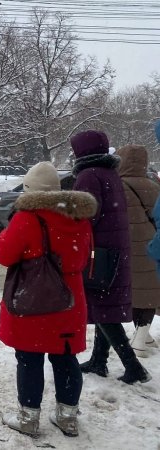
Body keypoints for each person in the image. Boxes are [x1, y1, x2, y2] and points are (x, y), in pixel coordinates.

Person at [0, 162, 96, 438]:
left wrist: (9, 230)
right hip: (68, 300)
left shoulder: (28, 218)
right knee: (65, 358)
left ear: (28, 190)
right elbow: (83, 255)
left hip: (34, 301)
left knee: (29, 358)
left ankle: (28, 418)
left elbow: (3, 254)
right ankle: (67, 417)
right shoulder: (79, 217)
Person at [71, 130, 151, 384]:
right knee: (104, 305)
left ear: (82, 151)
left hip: (98, 254)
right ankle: (99, 361)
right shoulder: (110, 173)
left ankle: (134, 367)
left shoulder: (88, 176)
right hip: (114, 250)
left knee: (101, 308)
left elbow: (83, 216)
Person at [115, 145, 160, 358]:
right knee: (149, 292)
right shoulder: (154, 186)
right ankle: (145, 335)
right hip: (152, 245)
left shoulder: (119, 186)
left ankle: (140, 340)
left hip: (129, 247)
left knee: (135, 293)